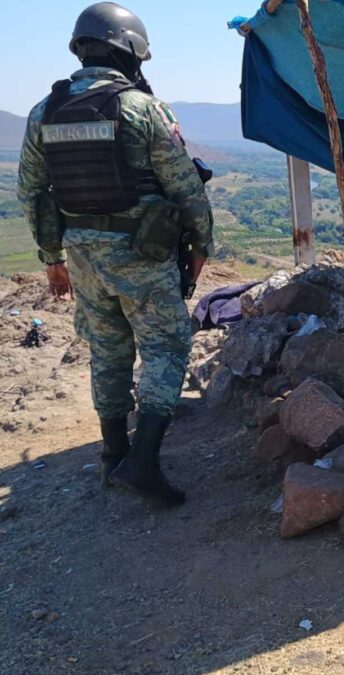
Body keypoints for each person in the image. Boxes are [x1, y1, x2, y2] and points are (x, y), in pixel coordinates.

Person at [17, 2, 213, 507]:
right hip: (140, 253)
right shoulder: (143, 109)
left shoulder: (45, 111)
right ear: (130, 52)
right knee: (167, 348)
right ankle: (143, 464)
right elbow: (186, 187)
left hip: (81, 256)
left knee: (107, 352)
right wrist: (202, 246)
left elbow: (32, 192)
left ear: (82, 50)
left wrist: (51, 257)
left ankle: (112, 457)